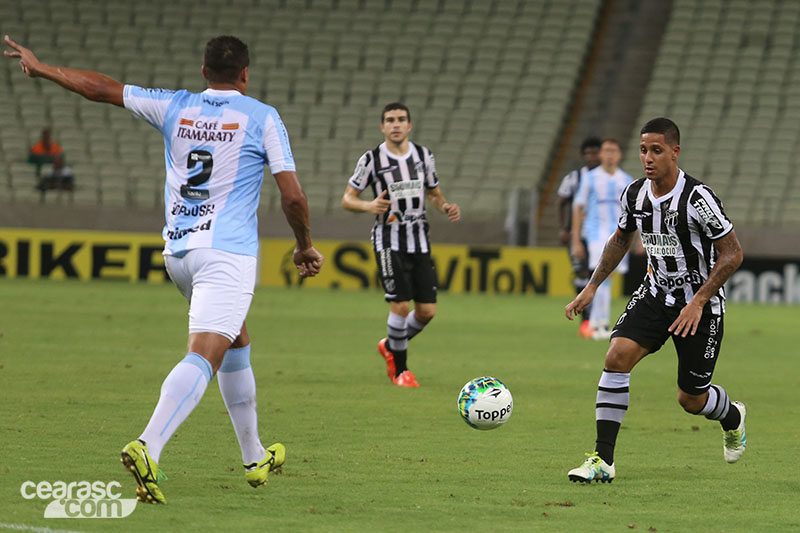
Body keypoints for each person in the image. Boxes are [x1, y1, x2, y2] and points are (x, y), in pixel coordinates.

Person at [5, 34, 324, 503]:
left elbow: (101, 89)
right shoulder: (262, 117)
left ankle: (255, 455)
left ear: (202, 73)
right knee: (205, 353)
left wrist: (44, 67)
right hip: (226, 254)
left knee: (235, 336)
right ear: (245, 73)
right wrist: (304, 246)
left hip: (179, 253)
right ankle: (147, 444)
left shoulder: (174, 105)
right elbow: (293, 196)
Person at [564, 117, 746, 483]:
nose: (648, 158)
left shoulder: (698, 198)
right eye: (644, 150)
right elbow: (620, 239)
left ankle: (732, 416)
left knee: (691, 399)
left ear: (675, 152)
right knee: (615, 357)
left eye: (657, 150)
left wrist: (698, 300)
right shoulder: (634, 193)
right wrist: (592, 285)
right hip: (655, 294)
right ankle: (603, 460)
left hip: (700, 308)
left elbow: (732, 254)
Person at [341, 102, 460, 387]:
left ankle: (390, 344)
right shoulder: (371, 159)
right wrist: (370, 205)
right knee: (401, 306)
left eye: (401, 119)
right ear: (382, 127)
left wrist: (444, 206)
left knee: (427, 312)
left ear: (410, 125)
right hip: (387, 240)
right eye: (390, 120)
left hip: (419, 240)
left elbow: (433, 192)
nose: (396, 124)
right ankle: (401, 372)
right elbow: (348, 198)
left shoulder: (423, 156)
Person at [571, 139, 633, 340]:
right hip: (596, 233)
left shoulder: (626, 179)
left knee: (607, 279)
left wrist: (638, 239)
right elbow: (578, 207)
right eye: (606, 150)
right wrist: (576, 240)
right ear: (601, 155)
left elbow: (635, 212)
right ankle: (600, 325)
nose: (609, 154)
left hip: (619, 236)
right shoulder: (590, 178)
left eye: (613, 151)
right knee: (602, 278)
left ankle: (598, 324)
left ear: (619, 155)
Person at [556, 136, 601, 337]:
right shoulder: (574, 178)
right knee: (582, 274)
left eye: (595, 152)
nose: (592, 157)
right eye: (588, 153)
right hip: (578, 235)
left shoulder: (609, 178)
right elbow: (561, 202)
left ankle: (597, 320)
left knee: (596, 276)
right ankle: (586, 321)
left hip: (599, 236)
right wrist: (564, 229)